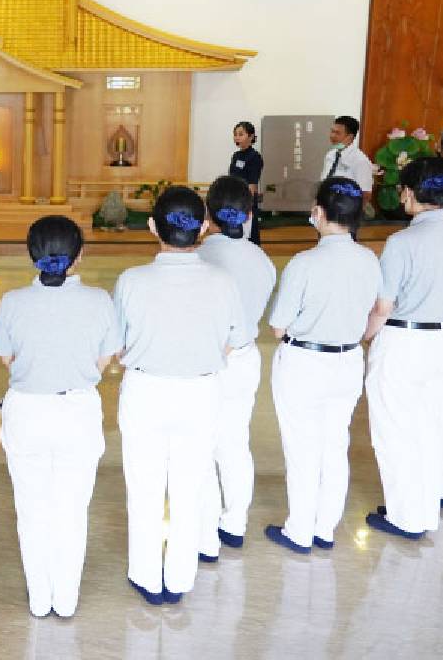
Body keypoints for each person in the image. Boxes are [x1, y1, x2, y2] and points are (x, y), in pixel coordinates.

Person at [113, 186, 245, 605]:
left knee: (145, 486)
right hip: (201, 391)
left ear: (152, 226)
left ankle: (148, 576)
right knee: (190, 488)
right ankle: (180, 578)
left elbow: (116, 345)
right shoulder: (223, 281)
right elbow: (235, 340)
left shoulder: (131, 280)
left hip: (145, 390)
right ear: (205, 228)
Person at [0, 215, 118, 618]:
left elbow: (6, 358)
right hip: (77, 409)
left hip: (26, 409)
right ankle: (66, 600)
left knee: (31, 509)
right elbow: (105, 360)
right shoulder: (99, 301)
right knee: (71, 509)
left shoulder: (12, 302)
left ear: (32, 255)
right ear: (78, 256)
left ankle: (39, 597)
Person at [265, 177, 381, 553]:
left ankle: (299, 530)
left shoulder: (304, 263)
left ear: (321, 212)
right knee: (335, 444)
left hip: (305, 361)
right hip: (348, 361)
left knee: (302, 448)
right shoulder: (369, 260)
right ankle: (325, 528)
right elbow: (379, 309)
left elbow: (278, 325)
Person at [363, 156, 443, 540]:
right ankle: (422, 506)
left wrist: (364, 336)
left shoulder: (402, 241)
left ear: (408, 192)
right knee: (431, 427)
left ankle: (406, 516)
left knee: (395, 429)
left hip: (404, 341)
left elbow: (383, 305)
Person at [197, 176, 276, 557]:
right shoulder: (262, 260)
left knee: (202, 444)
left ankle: (206, 531)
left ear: (207, 213)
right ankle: (234, 523)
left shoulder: (198, 258)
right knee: (235, 442)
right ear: (247, 214)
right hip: (245, 359)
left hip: (206, 363)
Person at [321, 116, 374, 205]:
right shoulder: (330, 155)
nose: (332, 136)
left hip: (347, 211)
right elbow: (323, 182)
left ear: (350, 137)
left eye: (337, 133)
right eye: (332, 131)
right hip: (327, 206)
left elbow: (366, 194)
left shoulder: (360, 161)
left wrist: (350, 214)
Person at [227, 121, 264, 245]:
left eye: (240, 134)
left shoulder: (254, 157)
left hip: (246, 201)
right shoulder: (236, 155)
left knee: (249, 235)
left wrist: (246, 204)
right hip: (234, 199)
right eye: (235, 134)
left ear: (251, 136)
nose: (237, 137)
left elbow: (252, 183)